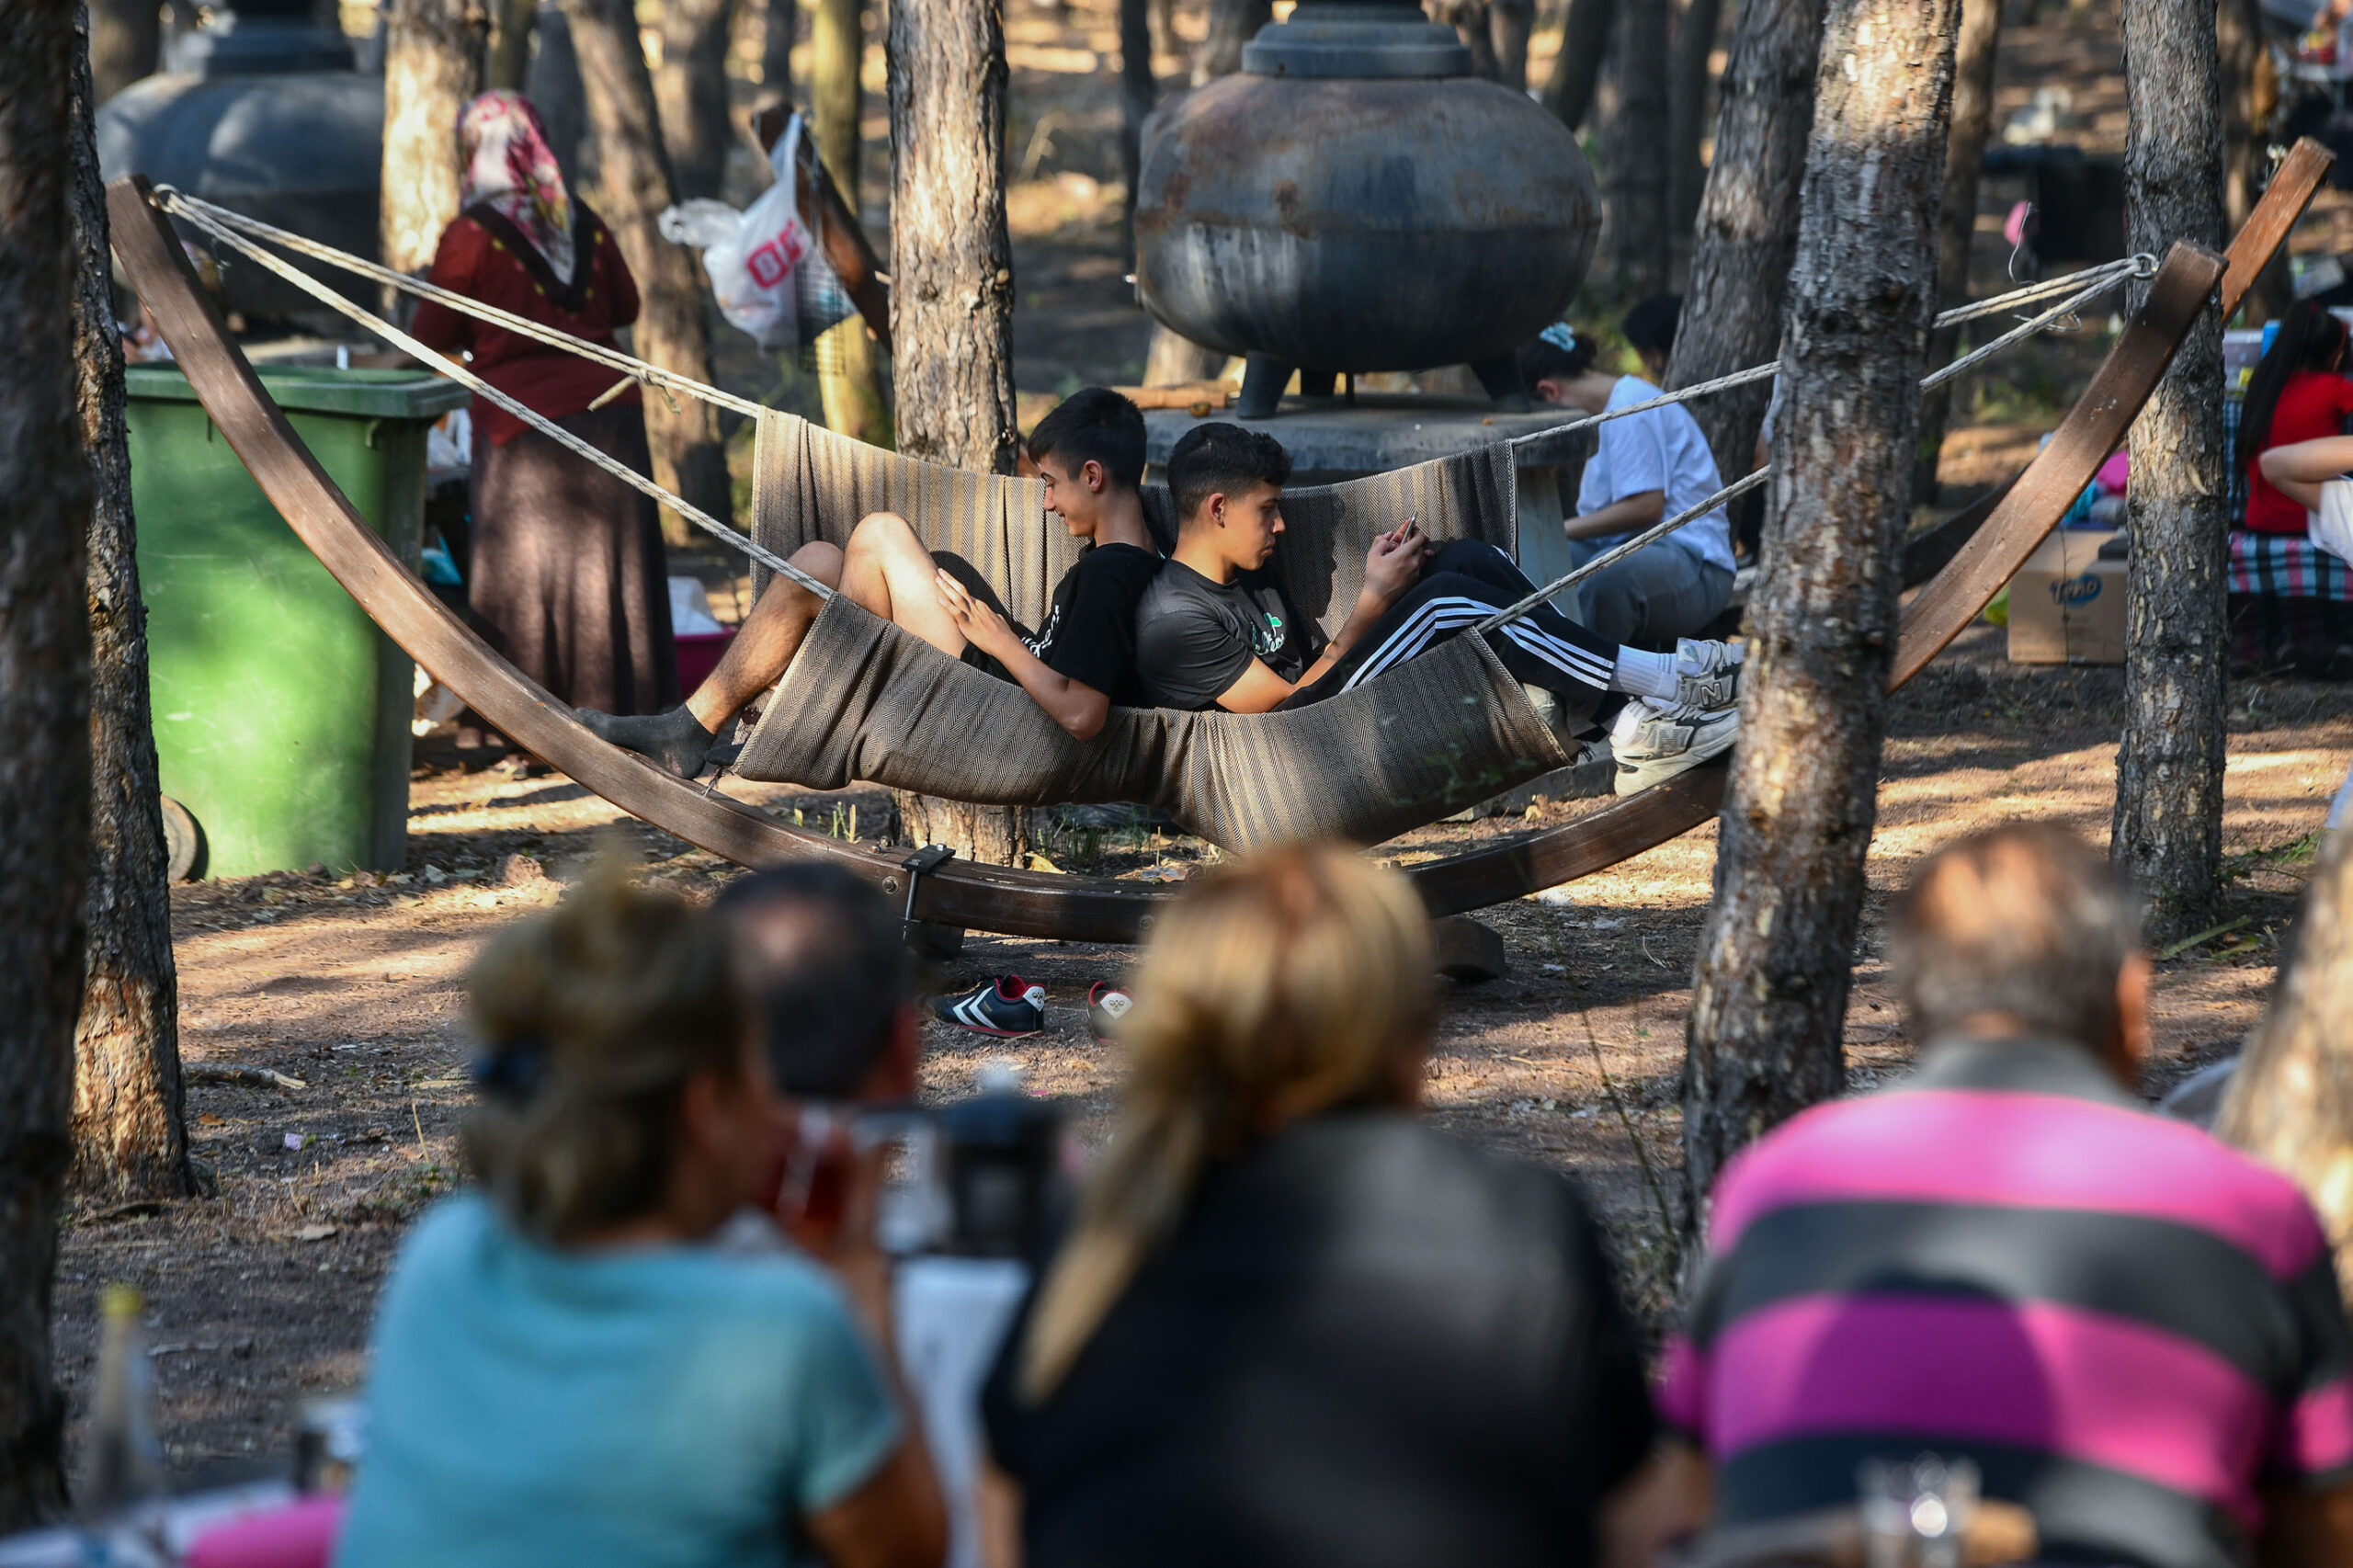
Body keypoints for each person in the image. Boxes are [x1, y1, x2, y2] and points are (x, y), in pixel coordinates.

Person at [1658, 823, 2353, 1568]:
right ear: (2131, 993)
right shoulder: (2251, 1214)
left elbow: (1685, 1499)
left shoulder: (1773, 1187)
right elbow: (2327, 1536)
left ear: (1917, 1002)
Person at [978, 843, 1673, 1568]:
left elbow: (1003, 1524)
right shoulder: (1521, 1225)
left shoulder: (1093, 1238)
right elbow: (1629, 1533)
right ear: (1408, 1030)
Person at [334, 868, 948, 1568]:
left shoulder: (444, 1250)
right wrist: (854, 1259)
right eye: (755, 1066)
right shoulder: (782, 1328)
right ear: (703, 1107)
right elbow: (915, 1552)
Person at [1131, 422, 1745, 795]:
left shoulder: (1250, 570)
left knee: (1463, 563)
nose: (1282, 523)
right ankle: (1673, 679)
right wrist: (1374, 600)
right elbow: (1280, 708)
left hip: (1319, 707)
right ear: (1216, 509)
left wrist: (1386, 587)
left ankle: (1630, 726)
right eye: (1267, 509)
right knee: (1443, 604)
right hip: (1289, 751)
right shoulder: (1174, 619)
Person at [584, 388, 1163, 778]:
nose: (1045, 503)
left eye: (1051, 484)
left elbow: (1084, 716)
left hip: (1001, 704)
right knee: (813, 563)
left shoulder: (1114, 573)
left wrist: (998, 641)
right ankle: (691, 726)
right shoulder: (1124, 558)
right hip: (1001, 675)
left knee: (882, 534)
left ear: (1093, 476)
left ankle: (837, 698)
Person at [410, 91, 678, 728]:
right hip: (611, 414)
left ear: (476, 151)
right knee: (614, 572)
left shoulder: (470, 235)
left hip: (523, 428)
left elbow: (430, 332)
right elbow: (624, 307)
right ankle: (630, 711)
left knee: (523, 583)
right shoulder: (581, 220)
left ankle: (529, 724)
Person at [1518, 312, 1737, 650]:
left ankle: (1591, 696)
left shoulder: (1629, 405)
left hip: (1697, 565)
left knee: (1601, 583)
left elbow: (1646, 508)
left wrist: (1558, 531)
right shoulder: (1607, 412)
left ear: (1549, 391)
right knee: (1528, 566)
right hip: (1636, 552)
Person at [2239, 301, 2353, 536]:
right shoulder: (2335, 388)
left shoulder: (2262, 385)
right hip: (2310, 521)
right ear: (2338, 358)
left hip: (2258, 520)